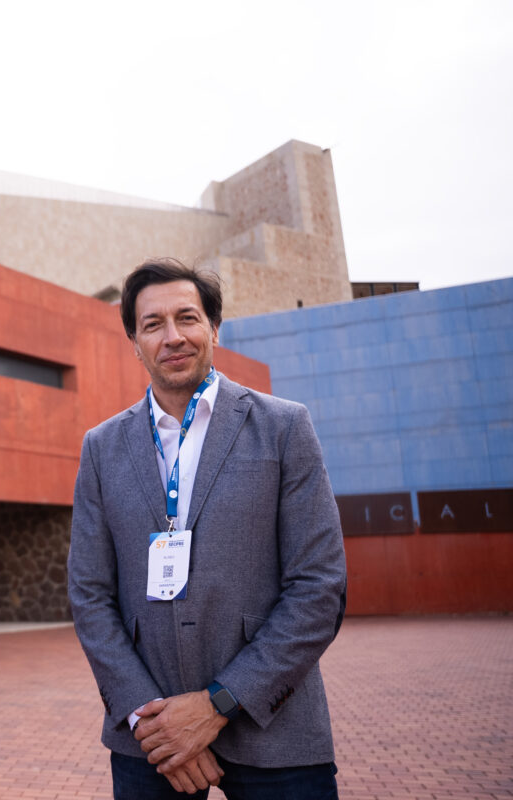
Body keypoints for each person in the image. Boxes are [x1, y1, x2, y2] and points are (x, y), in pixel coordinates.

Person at [67, 259, 346, 799]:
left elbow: (319, 587)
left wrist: (217, 704)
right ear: (134, 341)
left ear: (214, 328)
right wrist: (154, 722)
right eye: (153, 324)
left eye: (187, 318)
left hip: (276, 732)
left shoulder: (285, 427)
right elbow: (90, 595)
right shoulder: (101, 447)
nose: (173, 337)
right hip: (150, 742)